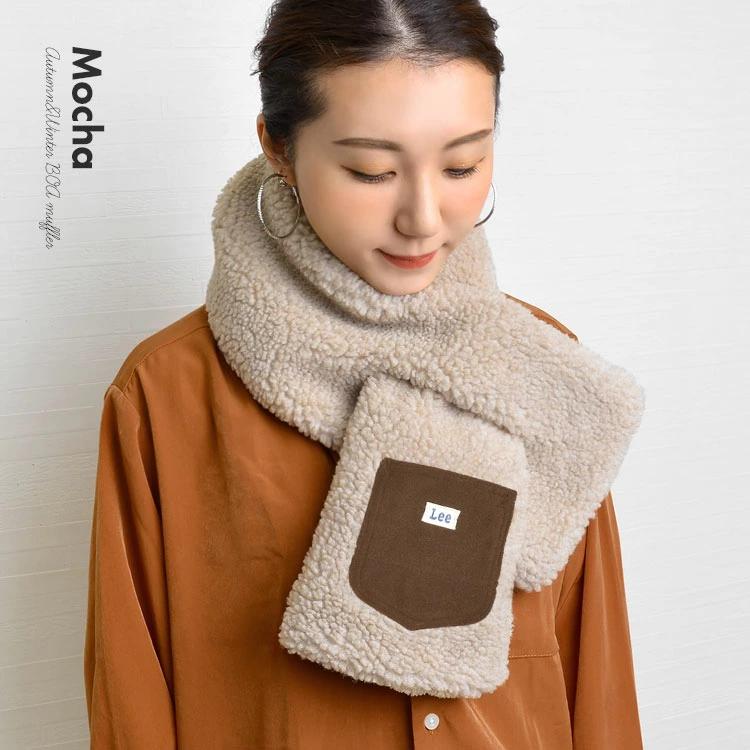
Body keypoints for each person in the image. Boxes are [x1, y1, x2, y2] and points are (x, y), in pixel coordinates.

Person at [83, 1, 645, 747]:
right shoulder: (166, 396)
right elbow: (132, 705)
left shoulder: (542, 371)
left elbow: (593, 672)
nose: (423, 217)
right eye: (371, 171)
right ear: (279, 148)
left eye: (462, 165)